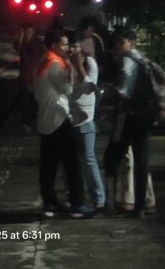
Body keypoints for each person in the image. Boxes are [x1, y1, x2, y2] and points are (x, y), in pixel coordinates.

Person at [33, 28, 93, 218]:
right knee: (73, 163)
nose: (68, 48)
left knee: (48, 165)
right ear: (54, 45)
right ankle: (77, 204)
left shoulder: (43, 61)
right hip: (58, 119)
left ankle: (49, 204)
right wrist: (72, 66)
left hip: (45, 120)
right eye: (64, 44)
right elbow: (67, 89)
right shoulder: (55, 64)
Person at [103, 29, 156, 218]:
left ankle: (111, 203)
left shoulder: (128, 61)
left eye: (121, 42)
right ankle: (141, 206)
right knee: (141, 160)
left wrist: (112, 89)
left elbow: (125, 92)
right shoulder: (145, 61)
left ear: (130, 43)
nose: (119, 46)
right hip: (146, 116)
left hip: (128, 117)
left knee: (111, 157)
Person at [66, 30, 105, 210]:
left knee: (88, 158)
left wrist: (78, 65)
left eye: (75, 46)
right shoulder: (65, 63)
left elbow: (88, 88)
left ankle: (98, 198)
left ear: (80, 46)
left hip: (86, 117)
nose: (72, 50)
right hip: (68, 116)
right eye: (69, 47)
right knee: (71, 161)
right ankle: (73, 196)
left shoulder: (89, 63)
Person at [14, 21, 44, 131]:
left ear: (32, 30)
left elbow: (41, 55)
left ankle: (32, 121)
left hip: (34, 74)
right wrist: (20, 38)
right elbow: (17, 49)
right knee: (24, 99)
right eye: (24, 30)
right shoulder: (21, 40)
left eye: (28, 30)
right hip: (24, 74)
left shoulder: (36, 41)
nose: (26, 32)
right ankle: (26, 123)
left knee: (33, 99)